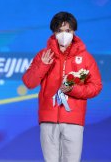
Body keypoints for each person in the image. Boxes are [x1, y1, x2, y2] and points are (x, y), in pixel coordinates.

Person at [22, 11, 102, 162]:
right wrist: (43, 65)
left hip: (74, 120)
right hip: (48, 120)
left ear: (74, 32)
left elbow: (96, 86)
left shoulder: (86, 58)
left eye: (68, 31)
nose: (64, 34)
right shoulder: (44, 55)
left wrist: (74, 89)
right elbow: (29, 82)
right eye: (59, 31)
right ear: (53, 32)